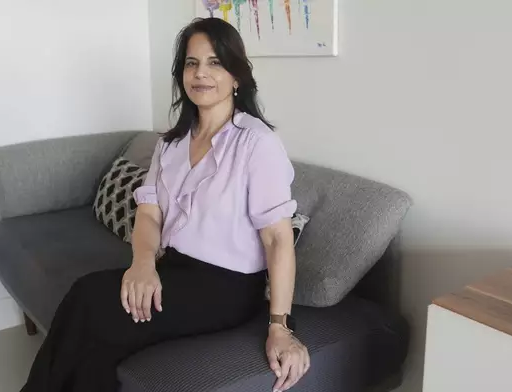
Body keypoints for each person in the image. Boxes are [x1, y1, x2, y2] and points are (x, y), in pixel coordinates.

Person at [20, 17, 310, 392]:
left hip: (226, 289)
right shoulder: (171, 144)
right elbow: (150, 212)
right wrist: (142, 264)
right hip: (173, 269)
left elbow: (277, 240)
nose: (201, 74)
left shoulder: (256, 144)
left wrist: (280, 326)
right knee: (99, 342)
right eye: (192, 63)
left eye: (215, 63)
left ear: (237, 76)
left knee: (90, 299)